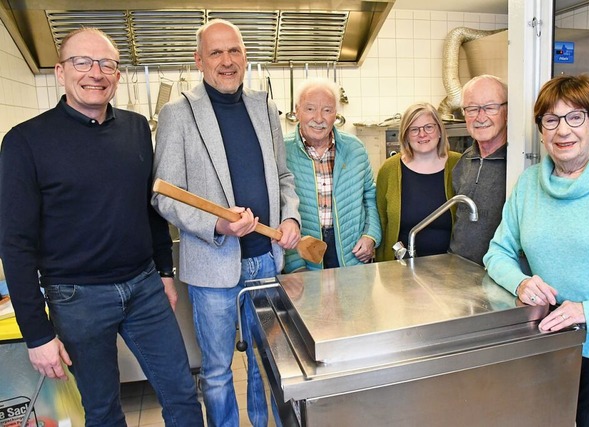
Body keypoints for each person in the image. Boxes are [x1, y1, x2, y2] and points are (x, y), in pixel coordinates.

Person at [0, 28, 203, 426]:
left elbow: (150, 206)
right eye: (82, 62)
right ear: (61, 72)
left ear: (118, 75)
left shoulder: (136, 128)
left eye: (106, 64)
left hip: (144, 287)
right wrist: (37, 334)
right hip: (76, 299)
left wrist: (164, 270)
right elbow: (14, 242)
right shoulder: (25, 142)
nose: (95, 72)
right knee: (103, 410)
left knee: (182, 392)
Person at [151, 19, 301, 427]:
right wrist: (217, 226)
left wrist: (289, 216)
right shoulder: (177, 114)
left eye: (234, 51)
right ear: (199, 61)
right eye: (216, 53)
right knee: (217, 372)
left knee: (266, 363)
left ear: (245, 57)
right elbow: (163, 194)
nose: (227, 60)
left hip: (265, 261)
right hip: (212, 264)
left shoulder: (264, 107)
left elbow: (284, 177)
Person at [483, 74, 589, 427]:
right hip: (548, 338)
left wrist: (588, 310)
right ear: (541, 130)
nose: (562, 130)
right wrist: (520, 283)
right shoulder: (528, 185)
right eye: (551, 120)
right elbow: (497, 252)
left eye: (576, 117)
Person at [283, 78, 381, 272]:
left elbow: (370, 197)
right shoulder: (282, 150)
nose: (319, 119)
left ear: (335, 113)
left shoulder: (355, 148)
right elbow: (277, 209)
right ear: (297, 111)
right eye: (310, 109)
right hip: (303, 254)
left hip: (352, 254)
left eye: (327, 110)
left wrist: (371, 236)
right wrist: (294, 264)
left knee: (354, 302)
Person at [376, 102, 461, 261]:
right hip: (402, 269)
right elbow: (381, 221)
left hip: (452, 268)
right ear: (405, 135)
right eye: (414, 129)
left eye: (429, 127)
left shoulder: (459, 164)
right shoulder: (389, 169)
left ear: (440, 130)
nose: (422, 134)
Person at [449, 74, 508, 265]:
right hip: (459, 269)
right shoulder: (464, 161)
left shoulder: (518, 164)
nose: (480, 117)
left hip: (499, 275)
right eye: (472, 109)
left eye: (490, 108)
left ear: (507, 111)